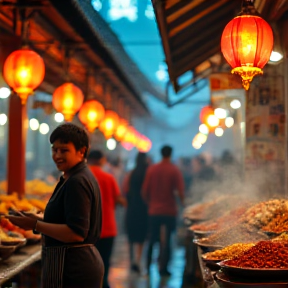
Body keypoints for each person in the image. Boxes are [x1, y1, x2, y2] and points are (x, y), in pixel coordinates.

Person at [6, 123, 104, 288]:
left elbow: (76, 233)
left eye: (64, 150)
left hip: (73, 269)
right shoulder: (71, 177)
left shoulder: (77, 182)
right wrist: (36, 218)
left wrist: (35, 224)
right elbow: (65, 219)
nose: (57, 155)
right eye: (54, 149)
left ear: (82, 151)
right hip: (72, 264)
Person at [142, 145, 185, 276]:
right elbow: (180, 191)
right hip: (169, 211)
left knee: (152, 239)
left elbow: (144, 191)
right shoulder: (174, 170)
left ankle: (148, 267)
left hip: (154, 211)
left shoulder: (152, 169)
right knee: (168, 241)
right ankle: (164, 268)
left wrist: (150, 204)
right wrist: (183, 204)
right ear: (171, 154)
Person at [88, 150, 126, 288]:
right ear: (101, 160)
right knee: (104, 261)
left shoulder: (80, 177)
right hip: (108, 227)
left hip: (87, 229)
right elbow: (118, 199)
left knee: (89, 264)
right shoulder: (108, 178)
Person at [122, 152, 149, 273]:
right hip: (143, 207)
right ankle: (137, 260)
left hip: (132, 206)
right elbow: (147, 190)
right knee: (141, 236)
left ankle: (132, 259)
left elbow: (125, 188)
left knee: (131, 234)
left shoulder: (131, 173)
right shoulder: (148, 173)